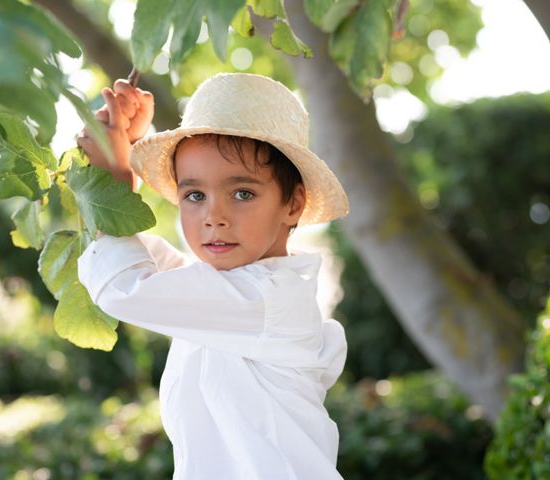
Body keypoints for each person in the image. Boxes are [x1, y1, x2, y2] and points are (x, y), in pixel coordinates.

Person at [76, 72, 350, 480]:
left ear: (292, 205)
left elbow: (124, 286)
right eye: (194, 196)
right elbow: (153, 270)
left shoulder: (266, 299)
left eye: (242, 193)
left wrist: (115, 183)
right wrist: (120, 168)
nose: (213, 218)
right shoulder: (230, 291)